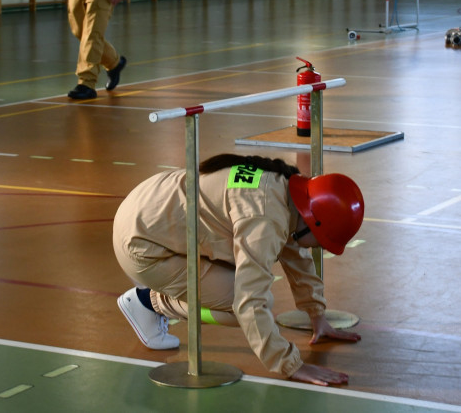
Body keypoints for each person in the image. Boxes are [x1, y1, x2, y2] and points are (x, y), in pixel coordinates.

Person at [112, 153, 365, 387]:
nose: (319, 248)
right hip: (142, 246)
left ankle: (151, 299)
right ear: (312, 222)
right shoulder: (265, 217)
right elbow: (249, 301)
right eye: (322, 242)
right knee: (239, 308)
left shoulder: (284, 188)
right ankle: (149, 302)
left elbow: (296, 254)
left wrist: (317, 314)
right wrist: (291, 364)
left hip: (146, 208)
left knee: (245, 292)